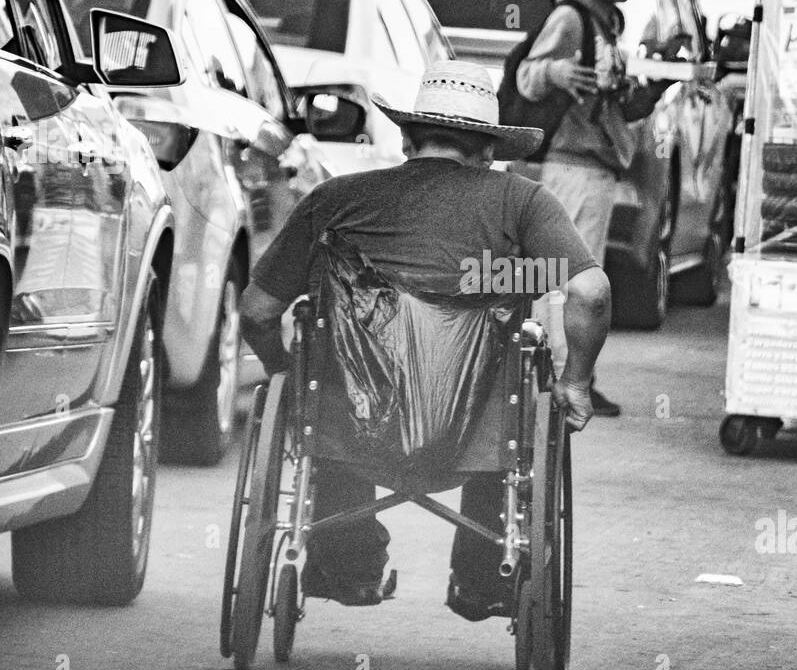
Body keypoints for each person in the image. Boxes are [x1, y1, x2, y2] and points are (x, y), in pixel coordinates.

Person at [239, 60, 612, 619]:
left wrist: (285, 380)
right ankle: (482, 582)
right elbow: (590, 293)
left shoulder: (334, 200)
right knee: (511, 365)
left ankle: (347, 569)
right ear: (488, 151)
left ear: (408, 140)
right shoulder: (522, 202)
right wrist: (576, 382)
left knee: (329, 376)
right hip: (477, 434)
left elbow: (258, 311)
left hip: (350, 426)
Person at [515, 0, 687, 417]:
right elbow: (529, 76)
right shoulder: (571, 18)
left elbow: (615, 104)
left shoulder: (603, 23)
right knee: (569, 280)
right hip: (575, 168)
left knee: (570, 277)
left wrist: (656, 81)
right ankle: (561, 378)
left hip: (593, 168)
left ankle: (568, 375)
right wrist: (555, 73)